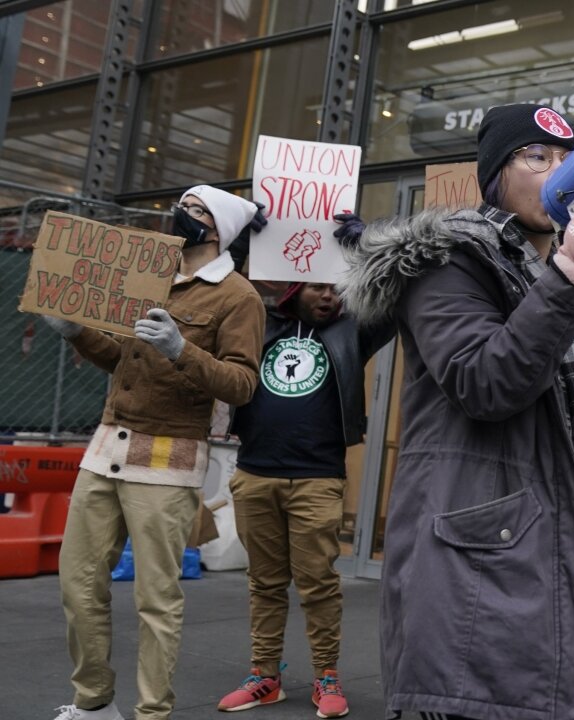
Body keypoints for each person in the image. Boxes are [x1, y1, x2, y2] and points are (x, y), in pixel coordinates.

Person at [337, 103, 574, 720]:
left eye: (569, 160)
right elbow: (485, 383)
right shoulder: (447, 262)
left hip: (530, 556)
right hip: (475, 568)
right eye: (537, 157)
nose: (558, 171)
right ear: (493, 176)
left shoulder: (553, 278)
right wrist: (570, 270)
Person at [41, 185, 267, 720]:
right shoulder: (149, 276)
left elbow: (241, 384)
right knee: (77, 586)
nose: (181, 215)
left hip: (167, 462)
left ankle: (151, 713)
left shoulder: (239, 297)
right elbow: (122, 355)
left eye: (195, 210)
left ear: (219, 229)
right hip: (104, 451)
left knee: (156, 602)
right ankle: (94, 704)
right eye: (182, 205)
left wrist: (180, 349)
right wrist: (77, 332)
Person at [215, 272, 394, 716]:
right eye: (320, 287)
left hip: (317, 478)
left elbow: (393, 302)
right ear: (295, 288)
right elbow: (223, 299)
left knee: (318, 585)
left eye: (337, 288)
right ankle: (264, 676)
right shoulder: (259, 324)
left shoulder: (350, 330)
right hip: (256, 474)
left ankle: (326, 677)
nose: (330, 297)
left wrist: (368, 248)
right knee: (265, 583)